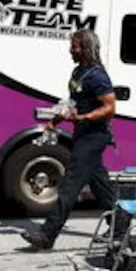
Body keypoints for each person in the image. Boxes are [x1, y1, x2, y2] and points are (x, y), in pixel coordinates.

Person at [22, 29, 126, 251]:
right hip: (83, 134)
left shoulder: (98, 76)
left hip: (94, 136)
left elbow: (110, 107)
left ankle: (47, 234)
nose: (71, 50)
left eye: (75, 46)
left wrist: (84, 117)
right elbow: (72, 103)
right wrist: (55, 121)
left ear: (87, 48)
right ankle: (121, 224)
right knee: (101, 185)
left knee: (70, 185)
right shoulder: (78, 72)